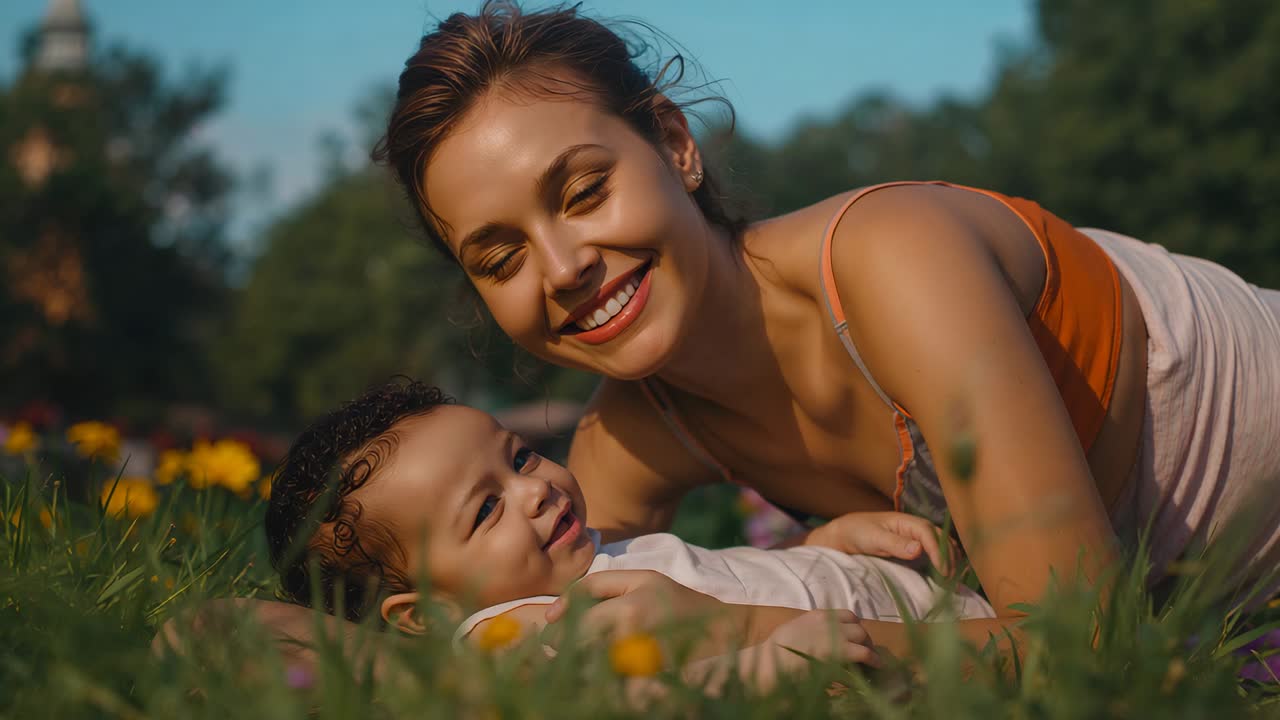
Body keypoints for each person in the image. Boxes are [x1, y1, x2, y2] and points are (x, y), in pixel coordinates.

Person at [358, 0, 1280, 659]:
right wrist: (318, 638)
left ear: (676, 146)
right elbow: (526, 634)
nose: (562, 269)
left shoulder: (893, 261)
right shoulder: (636, 435)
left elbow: (1084, 644)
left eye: (585, 191)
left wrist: (743, 629)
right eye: (499, 258)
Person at [260, 380, 992, 687]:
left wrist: (818, 549)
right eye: (485, 510)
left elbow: (722, 581)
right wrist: (761, 669)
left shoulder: (589, 566)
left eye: (518, 456)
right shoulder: (519, 634)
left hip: (948, 616)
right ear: (424, 613)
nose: (534, 489)